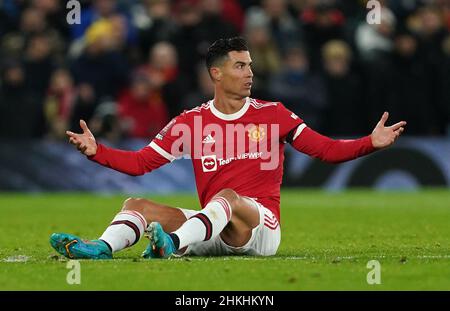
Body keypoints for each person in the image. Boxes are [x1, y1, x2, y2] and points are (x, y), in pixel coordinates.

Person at [50, 37, 406, 260]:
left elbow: (325, 149)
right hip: (213, 227)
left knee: (228, 197)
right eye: (240, 65)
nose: (250, 72)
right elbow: (141, 163)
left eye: (250, 65)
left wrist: (369, 144)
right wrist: (99, 152)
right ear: (216, 75)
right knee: (136, 205)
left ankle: (170, 245)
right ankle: (101, 248)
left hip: (260, 227)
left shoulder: (273, 114)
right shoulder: (190, 122)